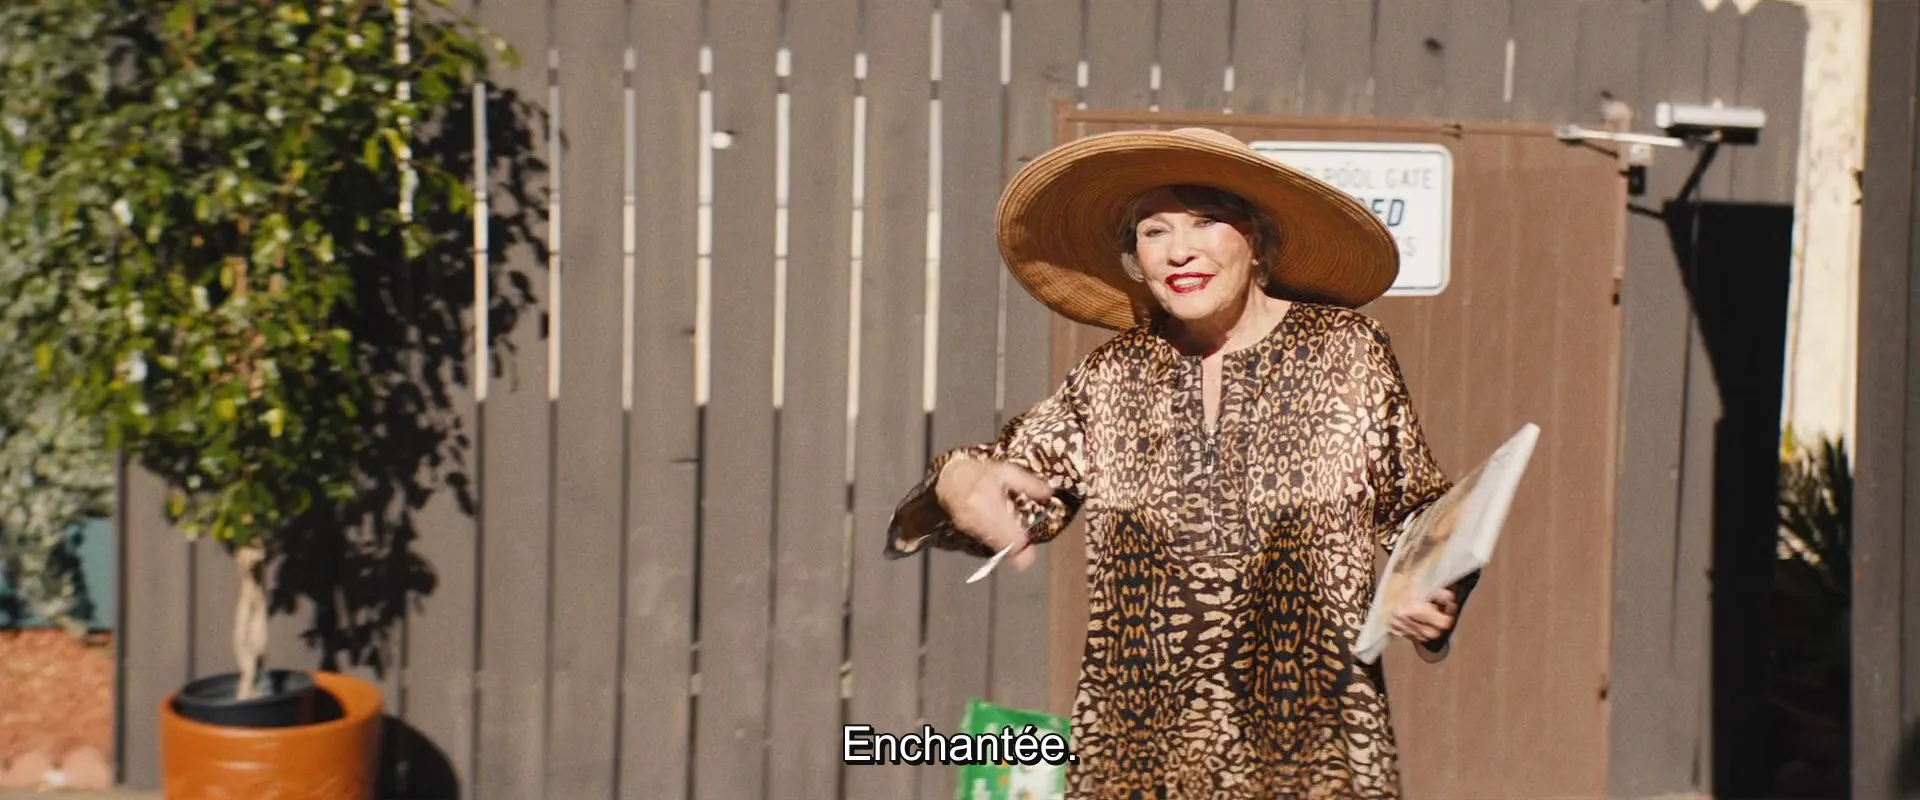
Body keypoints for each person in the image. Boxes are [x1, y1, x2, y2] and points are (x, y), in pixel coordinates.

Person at [883, 126, 1477, 799]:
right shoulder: (1112, 377)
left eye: (1206, 220)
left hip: (1314, 755)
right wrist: (957, 479)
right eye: (1154, 230)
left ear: (1258, 242)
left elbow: (1418, 512)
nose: (1178, 249)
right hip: (1138, 761)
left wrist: (1435, 589)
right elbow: (1004, 488)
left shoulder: (1347, 351)